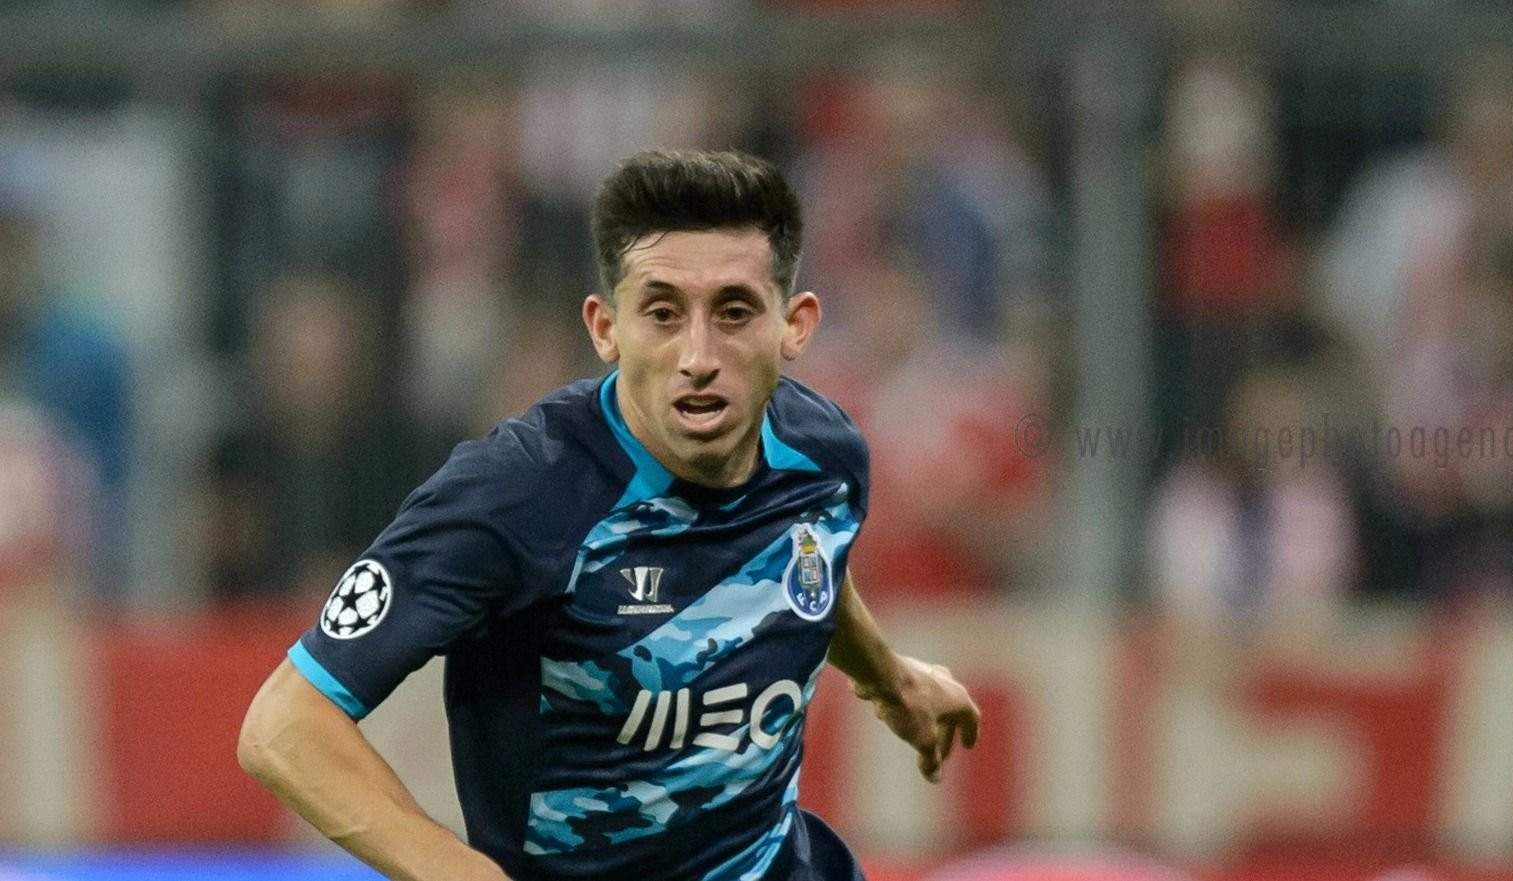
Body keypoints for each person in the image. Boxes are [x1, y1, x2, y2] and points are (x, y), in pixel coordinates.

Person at [237, 149, 982, 881]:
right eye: (662, 313)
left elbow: (807, 561)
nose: (698, 355)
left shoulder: (824, 455)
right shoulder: (518, 495)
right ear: (605, 328)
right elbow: (285, 725)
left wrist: (890, 677)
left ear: (795, 325)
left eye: (734, 312)